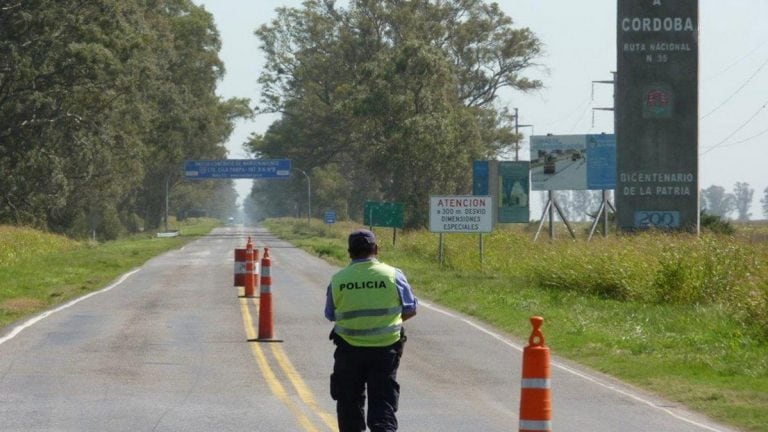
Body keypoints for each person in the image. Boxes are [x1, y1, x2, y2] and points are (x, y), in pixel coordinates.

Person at [324, 229, 418, 432]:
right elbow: (410, 309)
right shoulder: (393, 275)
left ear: (349, 252)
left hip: (349, 352)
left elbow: (330, 314)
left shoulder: (338, 279)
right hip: (385, 351)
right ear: (376, 249)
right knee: (382, 404)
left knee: (349, 404)